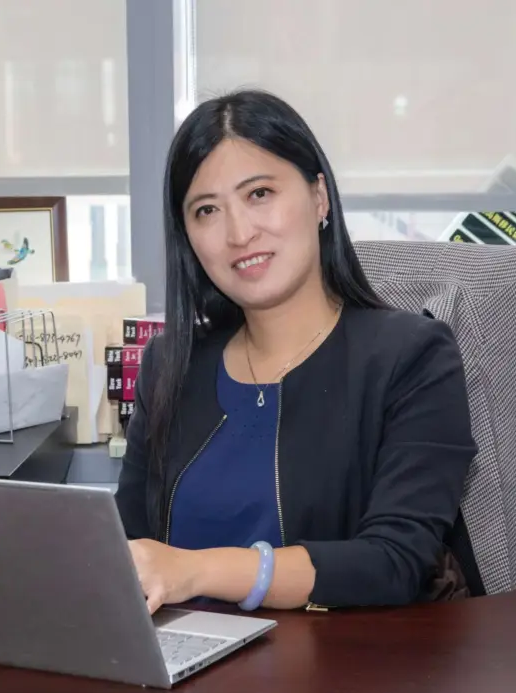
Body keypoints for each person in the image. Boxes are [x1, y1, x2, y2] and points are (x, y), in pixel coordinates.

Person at [115, 89, 477, 614]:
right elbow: (127, 546)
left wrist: (193, 570)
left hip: (340, 677)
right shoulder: (170, 363)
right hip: (182, 669)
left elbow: (394, 562)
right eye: (207, 210)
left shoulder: (413, 358)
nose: (239, 233)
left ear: (318, 197)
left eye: (259, 194)